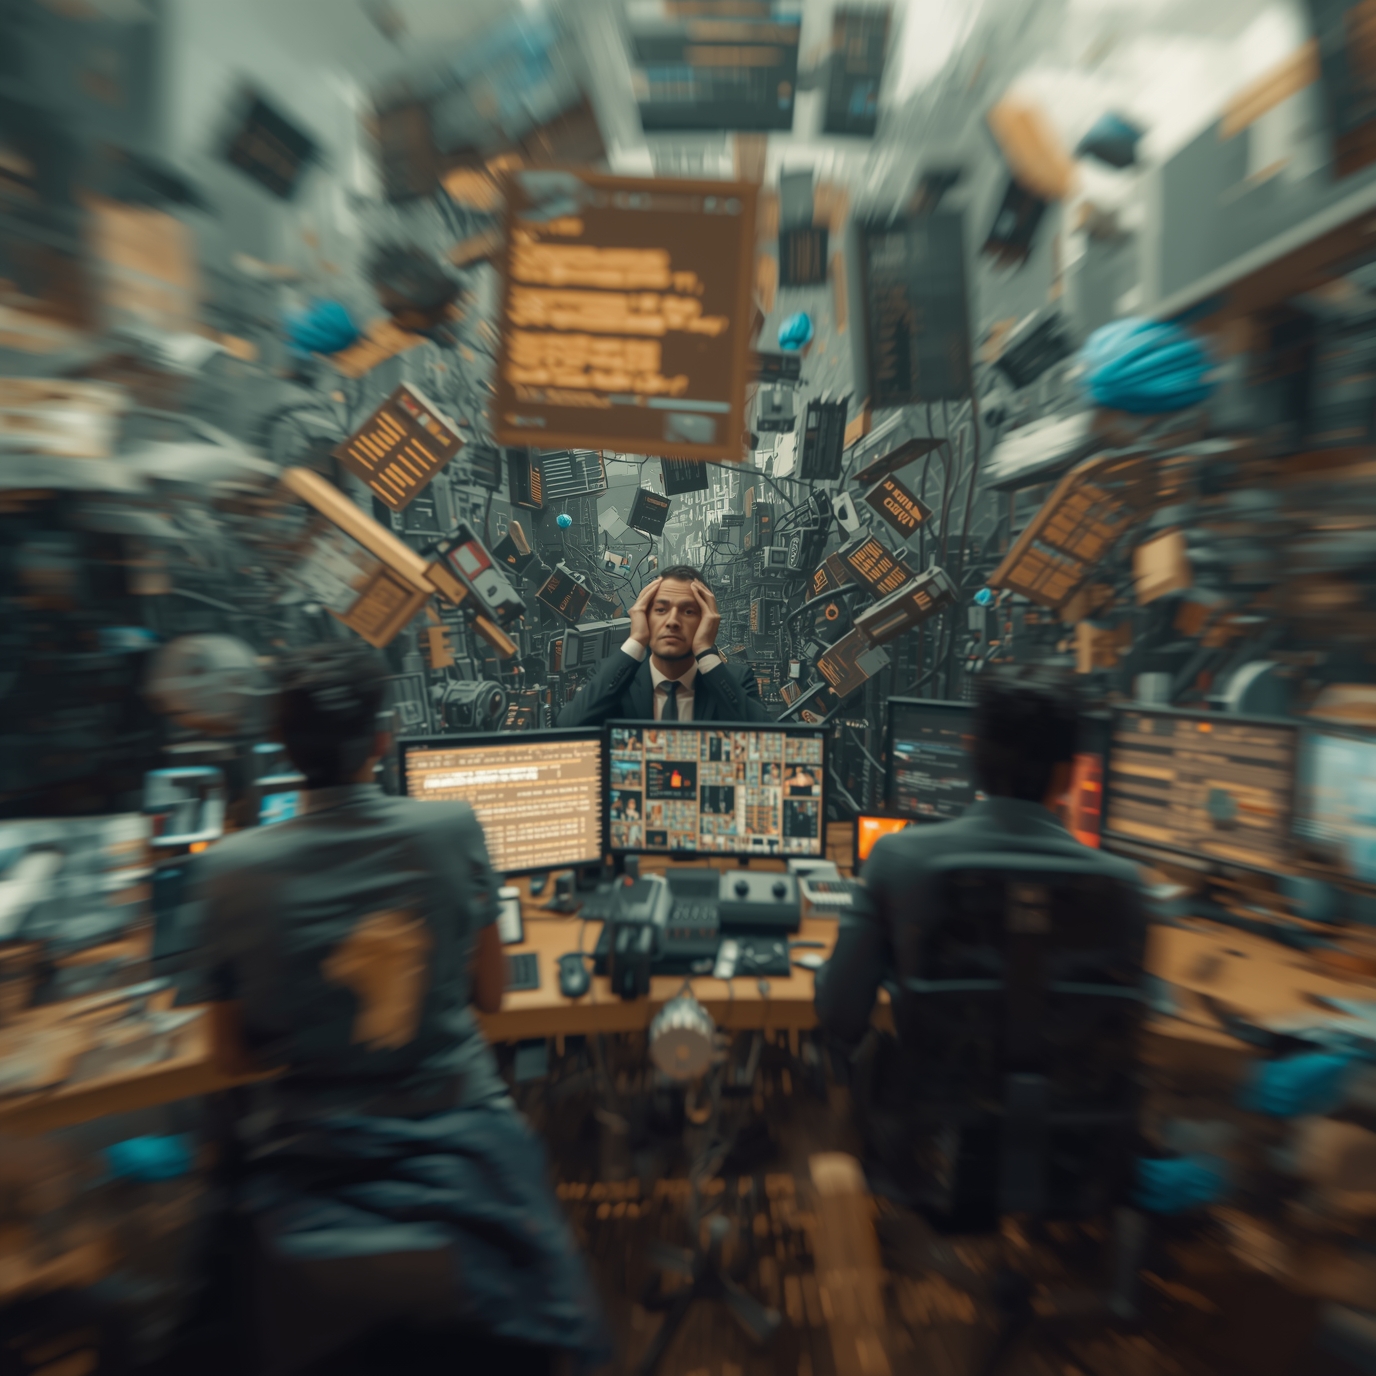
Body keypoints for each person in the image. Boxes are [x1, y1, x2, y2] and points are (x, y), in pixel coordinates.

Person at [190, 642, 609, 1376]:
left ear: (284, 745)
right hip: (460, 1137)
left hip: (309, 1164)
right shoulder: (449, 828)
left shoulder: (227, 873)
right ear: (382, 740)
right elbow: (493, 994)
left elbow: (229, 1057)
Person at [558, 566, 769, 725]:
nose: (672, 621)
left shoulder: (736, 681)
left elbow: (773, 741)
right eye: (660, 610)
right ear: (644, 617)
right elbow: (568, 726)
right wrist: (636, 640)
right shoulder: (613, 679)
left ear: (707, 621)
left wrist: (706, 652)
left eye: (688, 611)